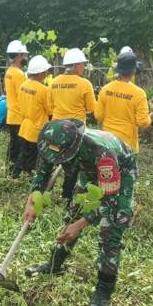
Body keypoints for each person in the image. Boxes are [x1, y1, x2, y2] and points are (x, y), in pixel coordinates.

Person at [23, 119, 137, 306]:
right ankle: (54, 265)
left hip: (120, 174)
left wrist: (81, 224)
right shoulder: (52, 145)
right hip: (90, 172)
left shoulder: (103, 152)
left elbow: (109, 199)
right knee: (71, 216)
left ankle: (104, 289)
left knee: (111, 228)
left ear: (73, 148)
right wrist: (31, 202)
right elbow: (42, 174)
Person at [49, 48, 97, 197]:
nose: (84, 67)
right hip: (75, 132)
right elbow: (92, 108)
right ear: (76, 65)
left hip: (56, 130)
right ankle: (67, 195)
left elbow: (50, 107)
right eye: (82, 64)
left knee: (50, 161)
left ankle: (43, 190)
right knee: (73, 166)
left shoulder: (54, 82)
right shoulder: (84, 84)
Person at [95, 51, 152, 154]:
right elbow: (143, 122)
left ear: (118, 71)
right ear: (133, 72)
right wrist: (149, 117)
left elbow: (98, 115)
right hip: (127, 145)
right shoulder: (138, 93)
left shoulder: (105, 89)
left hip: (108, 141)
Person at [16, 55, 52, 176]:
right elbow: (49, 110)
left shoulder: (23, 85)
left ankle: (15, 176)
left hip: (24, 128)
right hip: (37, 130)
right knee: (33, 161)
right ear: (41, 72)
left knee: (22, 156)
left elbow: (19, 105)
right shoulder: (43, 90)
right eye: (46, 71)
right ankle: (28, 179)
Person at [5, 40, 28, 177]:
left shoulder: (9, 71)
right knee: (22, 148)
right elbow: (22, 97)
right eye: (24, 55)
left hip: (11, 115)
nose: (25, 58)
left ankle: (9, 171)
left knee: (13, 146)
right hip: (19, 116)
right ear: (19, 56)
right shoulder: (19, 74)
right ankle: (16, 174)